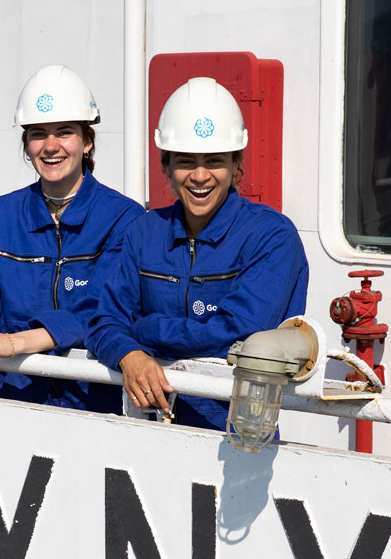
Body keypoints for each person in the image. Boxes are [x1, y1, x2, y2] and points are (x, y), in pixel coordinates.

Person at [85, 77, 309, 430]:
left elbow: (244, 331)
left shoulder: (271, 236)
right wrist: (129, 355)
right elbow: (103, 322)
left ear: (237, 167)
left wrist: (145, 331)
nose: (200, 176)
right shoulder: (144, 232)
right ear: (166, 167)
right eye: (186, 161)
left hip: (236, 430)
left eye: (215, 161)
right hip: (146, 427)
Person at [0, 64, 145, 414]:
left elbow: (102, 309)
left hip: (94, 403)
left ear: (87, 142)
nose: (51, 146)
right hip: (12, 402)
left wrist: (12, 343)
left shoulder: (125, 219)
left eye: (64, 132)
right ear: (26, 144)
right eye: (38, 133)